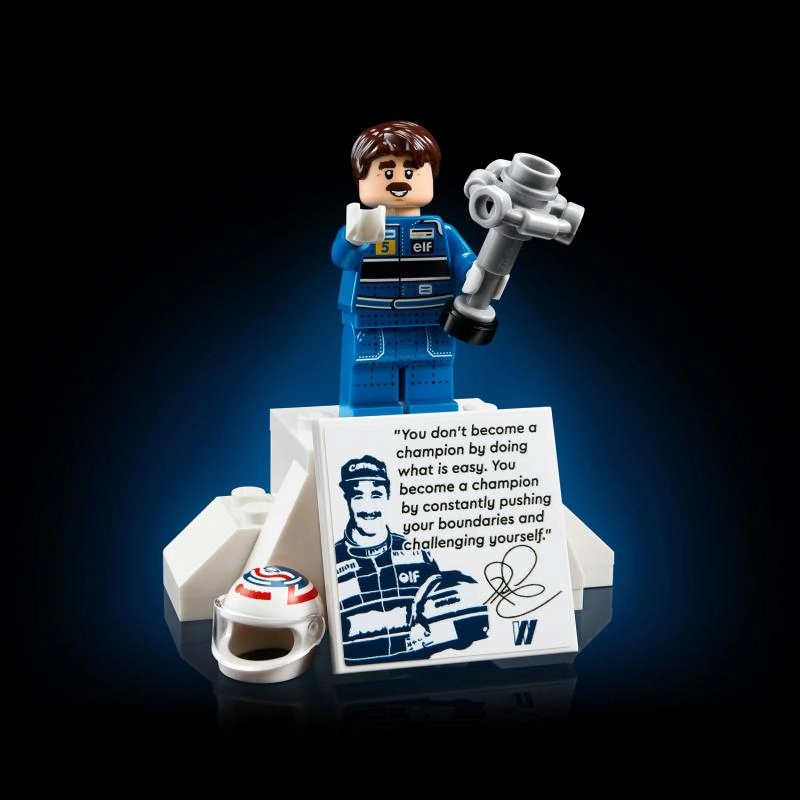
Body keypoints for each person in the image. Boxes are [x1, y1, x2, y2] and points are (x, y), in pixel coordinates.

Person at [331, 120, 477, 417]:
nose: (400, 182)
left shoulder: (441, 230)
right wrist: (354, 241)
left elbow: (464, 259)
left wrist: (474, 273)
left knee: (432, 364)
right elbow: (342, 258)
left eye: (410, 172)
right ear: (361, 178)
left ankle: (431, 407)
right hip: (373, 318)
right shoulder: (361, 229)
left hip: (431, 317)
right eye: (387, 172)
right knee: (370, 367)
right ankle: (370, 408)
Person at [335, 454, 489, 666]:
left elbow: (438, 620)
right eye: (358, 496)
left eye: (376, 494)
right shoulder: (333, 559)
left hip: (417, 675)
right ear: (347, 499)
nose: (369, 506)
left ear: (388, 496)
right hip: (356, 678)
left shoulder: (416, 552)